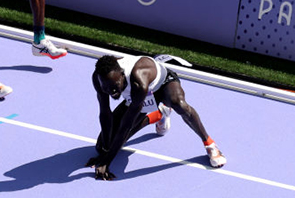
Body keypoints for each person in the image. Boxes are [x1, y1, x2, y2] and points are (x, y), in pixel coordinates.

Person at [88, 54, 226, 180]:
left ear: (123, 75)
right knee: (101, 147)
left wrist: (107, 160)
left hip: (162, 85)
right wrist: (105, 152)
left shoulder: (137, 81)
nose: (112, 92)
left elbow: (127, 124)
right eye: (106, 88)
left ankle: (209, 143)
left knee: (180, 104)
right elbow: (105, 113)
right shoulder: (99, 78)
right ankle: (159, 114)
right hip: (136, 97)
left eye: (115, 86)